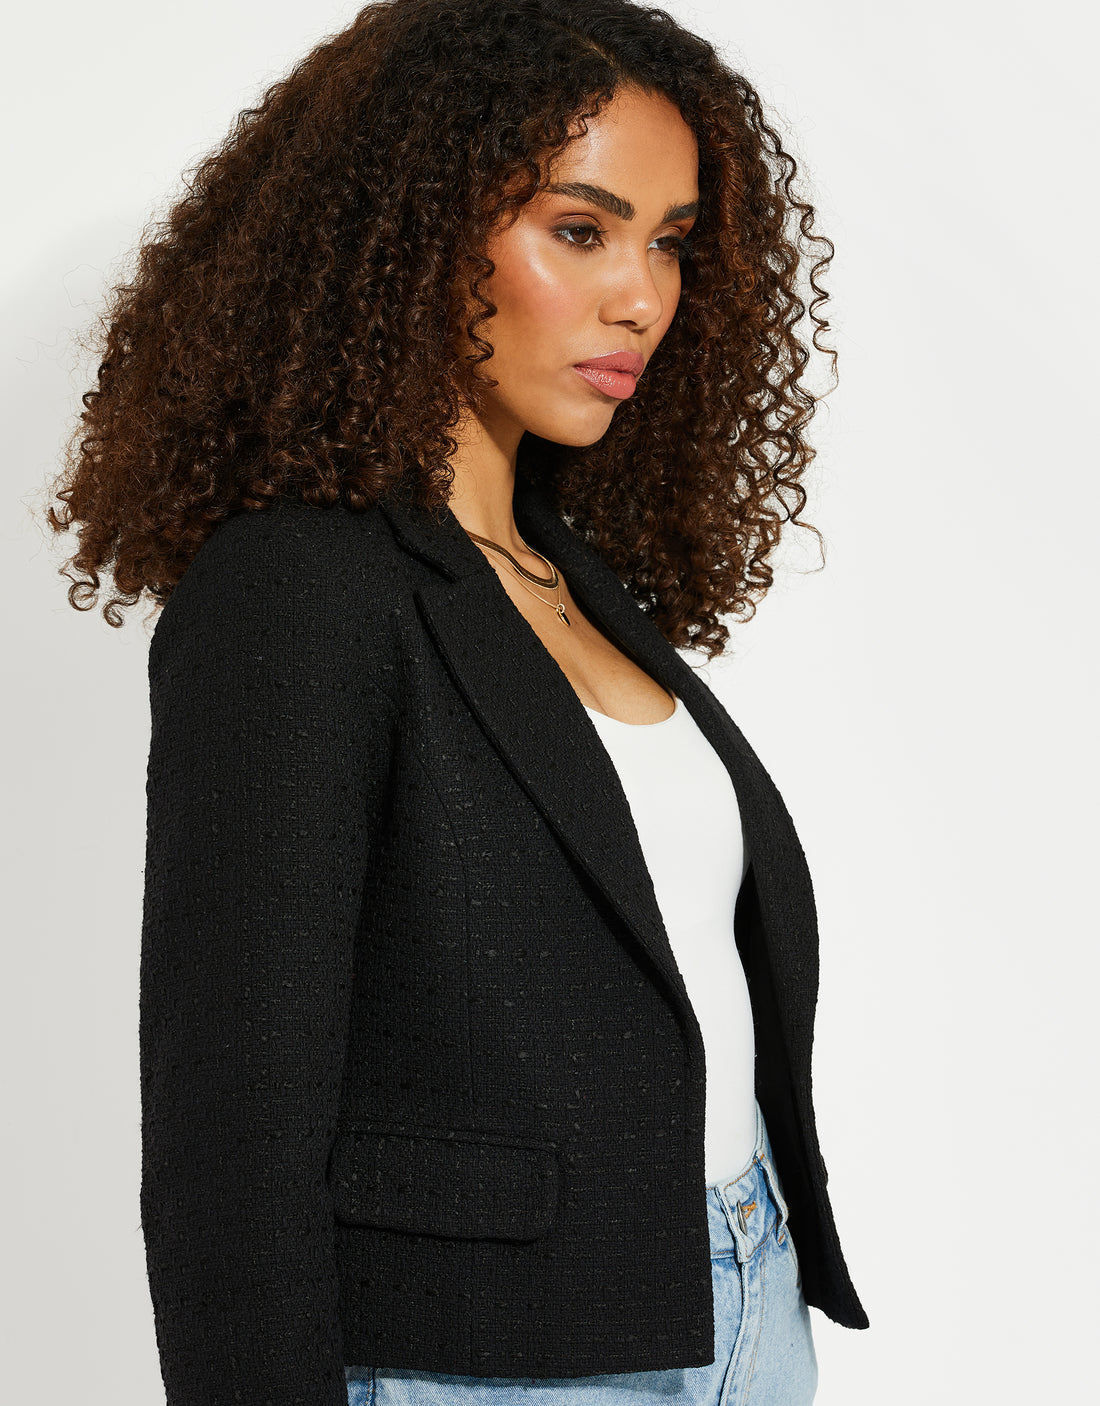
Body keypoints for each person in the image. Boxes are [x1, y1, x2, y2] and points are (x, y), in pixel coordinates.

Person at [43, 1, 869, 1402]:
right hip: (486, 1354)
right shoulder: (299, 586)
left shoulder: (564, 572)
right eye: (581, 229)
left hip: (742, 1293)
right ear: (416, 229)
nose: (642, 297)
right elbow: (230, 1120)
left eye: (671, 243)